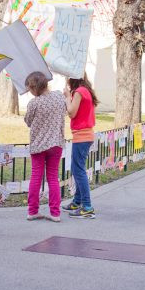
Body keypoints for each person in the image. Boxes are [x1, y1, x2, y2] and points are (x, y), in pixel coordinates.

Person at [24, 71, 66, 222]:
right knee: (53, 178)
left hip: (38, 145)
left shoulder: (34, 103)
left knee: (36, 177)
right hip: (56, 142)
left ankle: (32, 211)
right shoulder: (60, 97)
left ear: (34, 87)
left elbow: (28, 122)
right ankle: (55, 213)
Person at [62, 74, 99, 219]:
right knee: (77, 169)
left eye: (68, 78)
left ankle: (87, 206)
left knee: (79, 171)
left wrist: (67, 96)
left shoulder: (79, 92)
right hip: (86, 134)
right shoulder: (86, 90)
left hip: (82, 136)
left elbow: (71, 112)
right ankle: (77, 201)